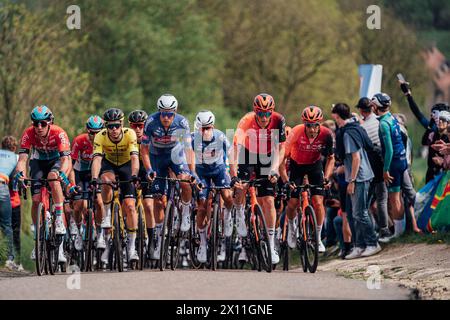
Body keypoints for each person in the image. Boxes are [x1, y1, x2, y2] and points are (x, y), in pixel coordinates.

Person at [230, 93, 286, 265]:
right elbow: (234, 150)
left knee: (268, 200)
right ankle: (239, 213)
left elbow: (281, 148)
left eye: (267, 113)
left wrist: (275, 169)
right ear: (255, 112)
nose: (264, 117)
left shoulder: (278, 120)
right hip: (248, 153)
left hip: (268, 156)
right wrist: (233, 176)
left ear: (272, 112)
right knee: (241, 186)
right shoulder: (246, 121)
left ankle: (270, 243)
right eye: (260, 114)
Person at [15, 106, 72, 264]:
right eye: (35, 124)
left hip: (56, 161)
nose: (39, 127)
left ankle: (59, 218)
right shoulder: (28, 134)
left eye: (43, 123)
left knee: (53, 178)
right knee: (35, 200)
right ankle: (38, 240)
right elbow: (22, 160)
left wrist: (63, 174)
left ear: (50, 122)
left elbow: (66, 160)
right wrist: (21, 174)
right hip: (38, 162)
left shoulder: (59, 133)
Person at [141, 94, 195, 261]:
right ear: (159, 112)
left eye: (170, 113)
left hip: (175, 154)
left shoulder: (182, 122)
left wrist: (192, 171)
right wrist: (149, 169)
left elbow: (188, 149)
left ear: (175, 112)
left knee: (185, 181)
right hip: (157, 157)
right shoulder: (150, 122)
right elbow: (143, 150)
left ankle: (185, 210)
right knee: (158, 200)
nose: (166, 117)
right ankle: (158, 235)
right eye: (163, 113)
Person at [280, 106, 335, 253]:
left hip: (314, 166)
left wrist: (327, 177)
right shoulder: (296, 132)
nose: (312, 129)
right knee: (292, 202)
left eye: (315, 125)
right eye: (309, 125)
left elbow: (331, 158)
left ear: (320, 124)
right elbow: (281, 159)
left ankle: (317, 237)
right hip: (296, 166)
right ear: (304, 124)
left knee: (318, 202)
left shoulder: (326, 134)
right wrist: (286, 181)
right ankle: (292, 228)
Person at [91, 108, 140, 264]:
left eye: (116, 126)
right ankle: (106, 213)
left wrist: (134, 175)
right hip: (109, 164)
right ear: (106, 126)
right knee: (105, 180)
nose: (113, 129)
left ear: (122, 124)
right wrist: (94, 178)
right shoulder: (100, 136)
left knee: (130, 207)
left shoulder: (130, 134)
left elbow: (134, 157)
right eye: (110, 126)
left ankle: (132, 248)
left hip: (126, 166)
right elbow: (97, 160)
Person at [332, 103, 381, 259]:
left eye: (334, 116)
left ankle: (373, 243)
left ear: (337, 116)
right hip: (356, 176)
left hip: (359, 177)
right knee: (354, 214)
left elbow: (356, 158)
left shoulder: (347, 134)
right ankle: (359, 246)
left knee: (361, 213)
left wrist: (352, 181)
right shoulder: (354, 127)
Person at [191, 110, 233, 263]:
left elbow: (231, 154)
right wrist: (192, 176)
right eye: (202, 128)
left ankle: (227, 216)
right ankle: (202, 243)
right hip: (201, 173)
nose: (205, 131)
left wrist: (233, 176)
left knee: (228, 197)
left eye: (208, 128)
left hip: (219, 171)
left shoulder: (220, 136)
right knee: (202, 206)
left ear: (213, 127)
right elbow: (184, 158)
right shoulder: (191, 138)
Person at [371, 93, 408, 239]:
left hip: (394, 163)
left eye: (373, 106)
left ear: (377, 106)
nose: (372, 108)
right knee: (397, 197)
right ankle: (402, 230)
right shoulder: (391, 117)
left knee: (394, 198)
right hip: (402, 159)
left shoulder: (384, 124)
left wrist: (385, 170)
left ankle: (399, 233)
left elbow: (389, 149)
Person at [399, 79, 450, 182]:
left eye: (442, 119)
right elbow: (418, 114)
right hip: (431, 173)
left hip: (445, 175)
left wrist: (443, 162)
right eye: (436, 118)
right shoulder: (432, 129)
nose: (439, 121)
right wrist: (408, 95)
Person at [356, 97, 391, 241]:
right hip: (385, 163)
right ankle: (386, 229)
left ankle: (383, 230)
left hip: (373, 168)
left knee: (375, 202)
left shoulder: (363, 127)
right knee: (383, 199)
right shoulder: (379, 121)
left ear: (361, 111)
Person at [71, 115, 104, 251]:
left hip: (97, 174)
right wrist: (72, 184)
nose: (95, 135)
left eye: (98, 132)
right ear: (87, 130)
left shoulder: (105, 141)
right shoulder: (79, 141)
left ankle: (100, 232)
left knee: (99, 202)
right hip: (81, 173)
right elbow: (70, 165)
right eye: (92, 132)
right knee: (79, 205)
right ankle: (78, 231)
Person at [128, 110, 155, 254]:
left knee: (149, 207)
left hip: (146, 172)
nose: (137, 129)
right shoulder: (126, 138)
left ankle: (151, 240)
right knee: (128, 205)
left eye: (141, 126)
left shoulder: (151, 139)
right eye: (134, 126)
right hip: (131, 172)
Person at [2, 136, 23, 271]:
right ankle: (16, 261)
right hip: (13, 201)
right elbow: (18, 182)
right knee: (14, 231)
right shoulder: (15, 159)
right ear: (15, 148)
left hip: (8, 200)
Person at [0, 136, 18, 270]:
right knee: (6, 225)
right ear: (14, 148)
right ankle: (9, 259)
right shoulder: (15, 157)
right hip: (1, 187)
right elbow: (14, 181)